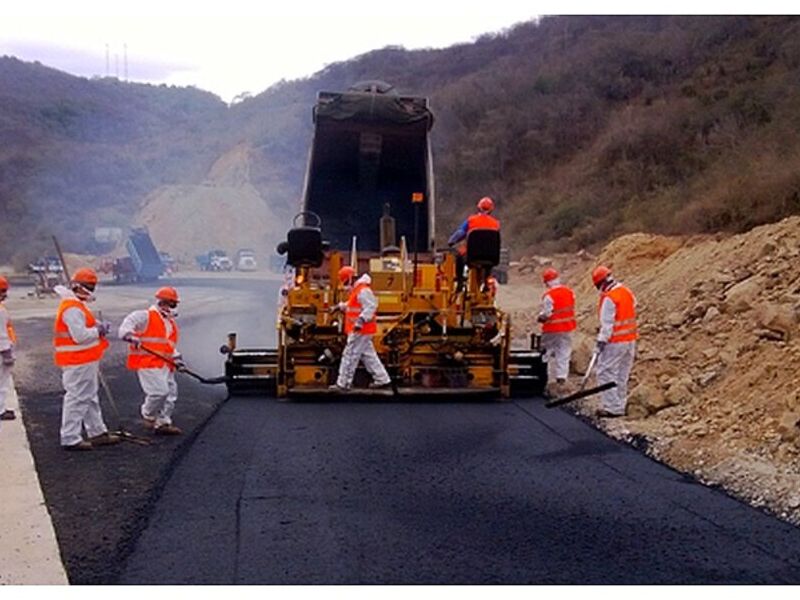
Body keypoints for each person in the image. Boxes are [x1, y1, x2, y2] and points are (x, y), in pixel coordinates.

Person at [53, 268, 119, 450]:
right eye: (89, 286)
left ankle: (97, 432)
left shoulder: (77, 305)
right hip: (77, 360)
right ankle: (70, 437)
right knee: (77, 397)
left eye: (93, 286)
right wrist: (99, 330)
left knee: (89, 396)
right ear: (77, 286)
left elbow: (85, 324)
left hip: (85, 359)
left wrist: (98, 325)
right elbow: (80, 335)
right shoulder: (71, 308)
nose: (91, 290)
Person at [118, 287, 184, 435]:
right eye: (170, 304)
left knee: (171, 394)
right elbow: (127, 324)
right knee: (160, 392)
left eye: (174, 305)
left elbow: (167, 345)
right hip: (148, 362)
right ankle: (148, 414)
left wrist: (177, 358)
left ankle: (163, 423)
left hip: (165, 363)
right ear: (161, 302)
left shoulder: (169, 323)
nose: (171, 307)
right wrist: (129, 335)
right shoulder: (145, 316)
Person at [330, 266, 392, 391]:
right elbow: (353, 304)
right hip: (363, 329)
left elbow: (371, 306)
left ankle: (343, 383)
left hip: (359, 329)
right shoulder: (358, 290)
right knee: (368, 356)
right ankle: (382, 379)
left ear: (350, 278)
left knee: (350, 354)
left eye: (346, 282)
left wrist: (361, 320)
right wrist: (339, 306)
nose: (346, 285)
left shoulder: (362, 290)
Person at [592, 265, 638, 418]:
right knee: (622, 374)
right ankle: (620, 404)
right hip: (630, 340)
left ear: (601, 283)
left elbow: (607, 325)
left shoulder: (609, 298)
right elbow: (633, 305)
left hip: (615, 341)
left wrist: (600, 342)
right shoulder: (626, 291)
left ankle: (612, 407)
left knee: (605, 372)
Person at [537, 267, 576, 397]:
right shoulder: (569, 292)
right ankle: (561, 378)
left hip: (552, 330)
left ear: (547, 282)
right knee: (564, 352)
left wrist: (540, 317)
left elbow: (547, 313)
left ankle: (542, 377)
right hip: (567, 328)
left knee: (545, 353)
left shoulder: (549, 296)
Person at [447, 196, 500, 291]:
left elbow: (460, 233)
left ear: (479, 207)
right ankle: (486, 283)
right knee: (488, 261)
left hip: (471, 257)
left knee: (459, 256)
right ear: (491, 210)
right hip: (491, 258)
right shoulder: (495, 223)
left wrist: (451, 241)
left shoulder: (471, 221)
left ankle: (460, 282)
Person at [0, 276, 17, 421]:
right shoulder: (0, 311)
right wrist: (7, 353)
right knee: (2, 382)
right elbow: (1, 335)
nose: (4, 294)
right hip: (1, 351)